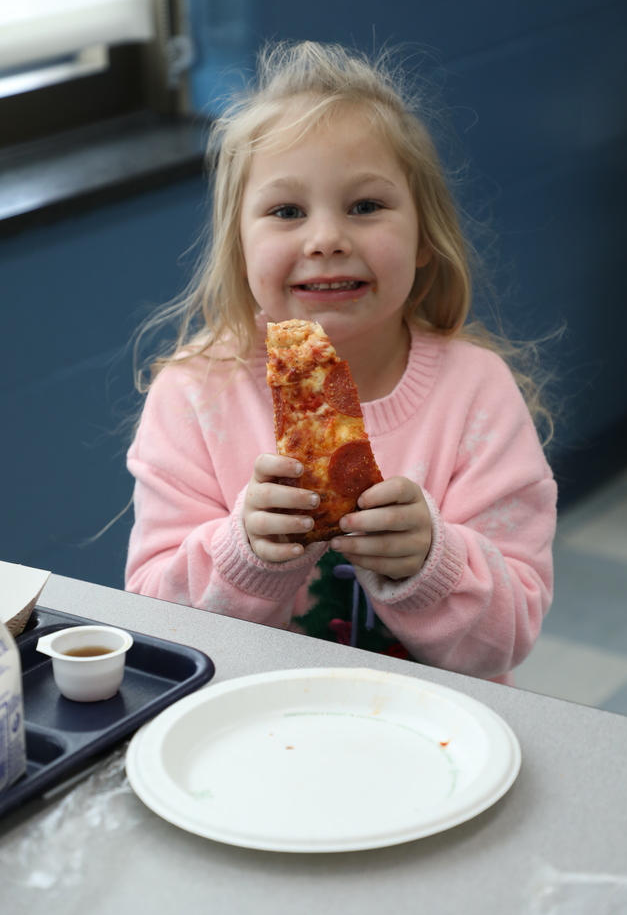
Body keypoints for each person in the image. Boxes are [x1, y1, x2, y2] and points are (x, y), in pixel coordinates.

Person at [125, 41, 557, 683]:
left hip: (430, 724)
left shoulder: (477, 393)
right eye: (286, 211)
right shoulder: (194, 394)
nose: (326, 239)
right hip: (252, 720)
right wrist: (242, 553)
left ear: (424, 238)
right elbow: (155, 628)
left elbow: (509, 638)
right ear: (239, 248)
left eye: (365, 206)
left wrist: (433, 563)